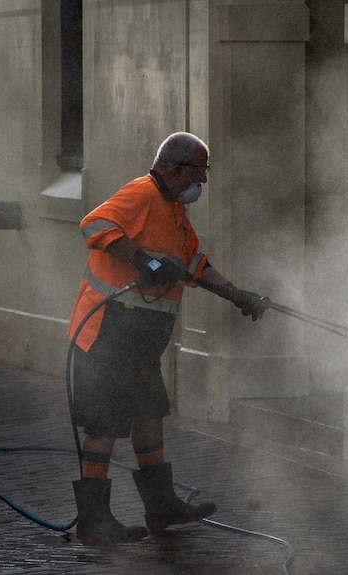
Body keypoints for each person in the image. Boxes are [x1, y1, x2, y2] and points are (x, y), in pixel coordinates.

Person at [66, 132, 268, 544]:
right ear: (176, 169)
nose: (203, 183)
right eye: (199, 172)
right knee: (104, 422)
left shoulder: (173, 210)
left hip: (140, 340)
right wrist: (142, 259)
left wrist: (237, 295)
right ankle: (92, 522)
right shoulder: (141, 194)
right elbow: (95, 224)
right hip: (107, 329)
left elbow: (194, 262)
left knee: (147, 413)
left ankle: (161, 508)